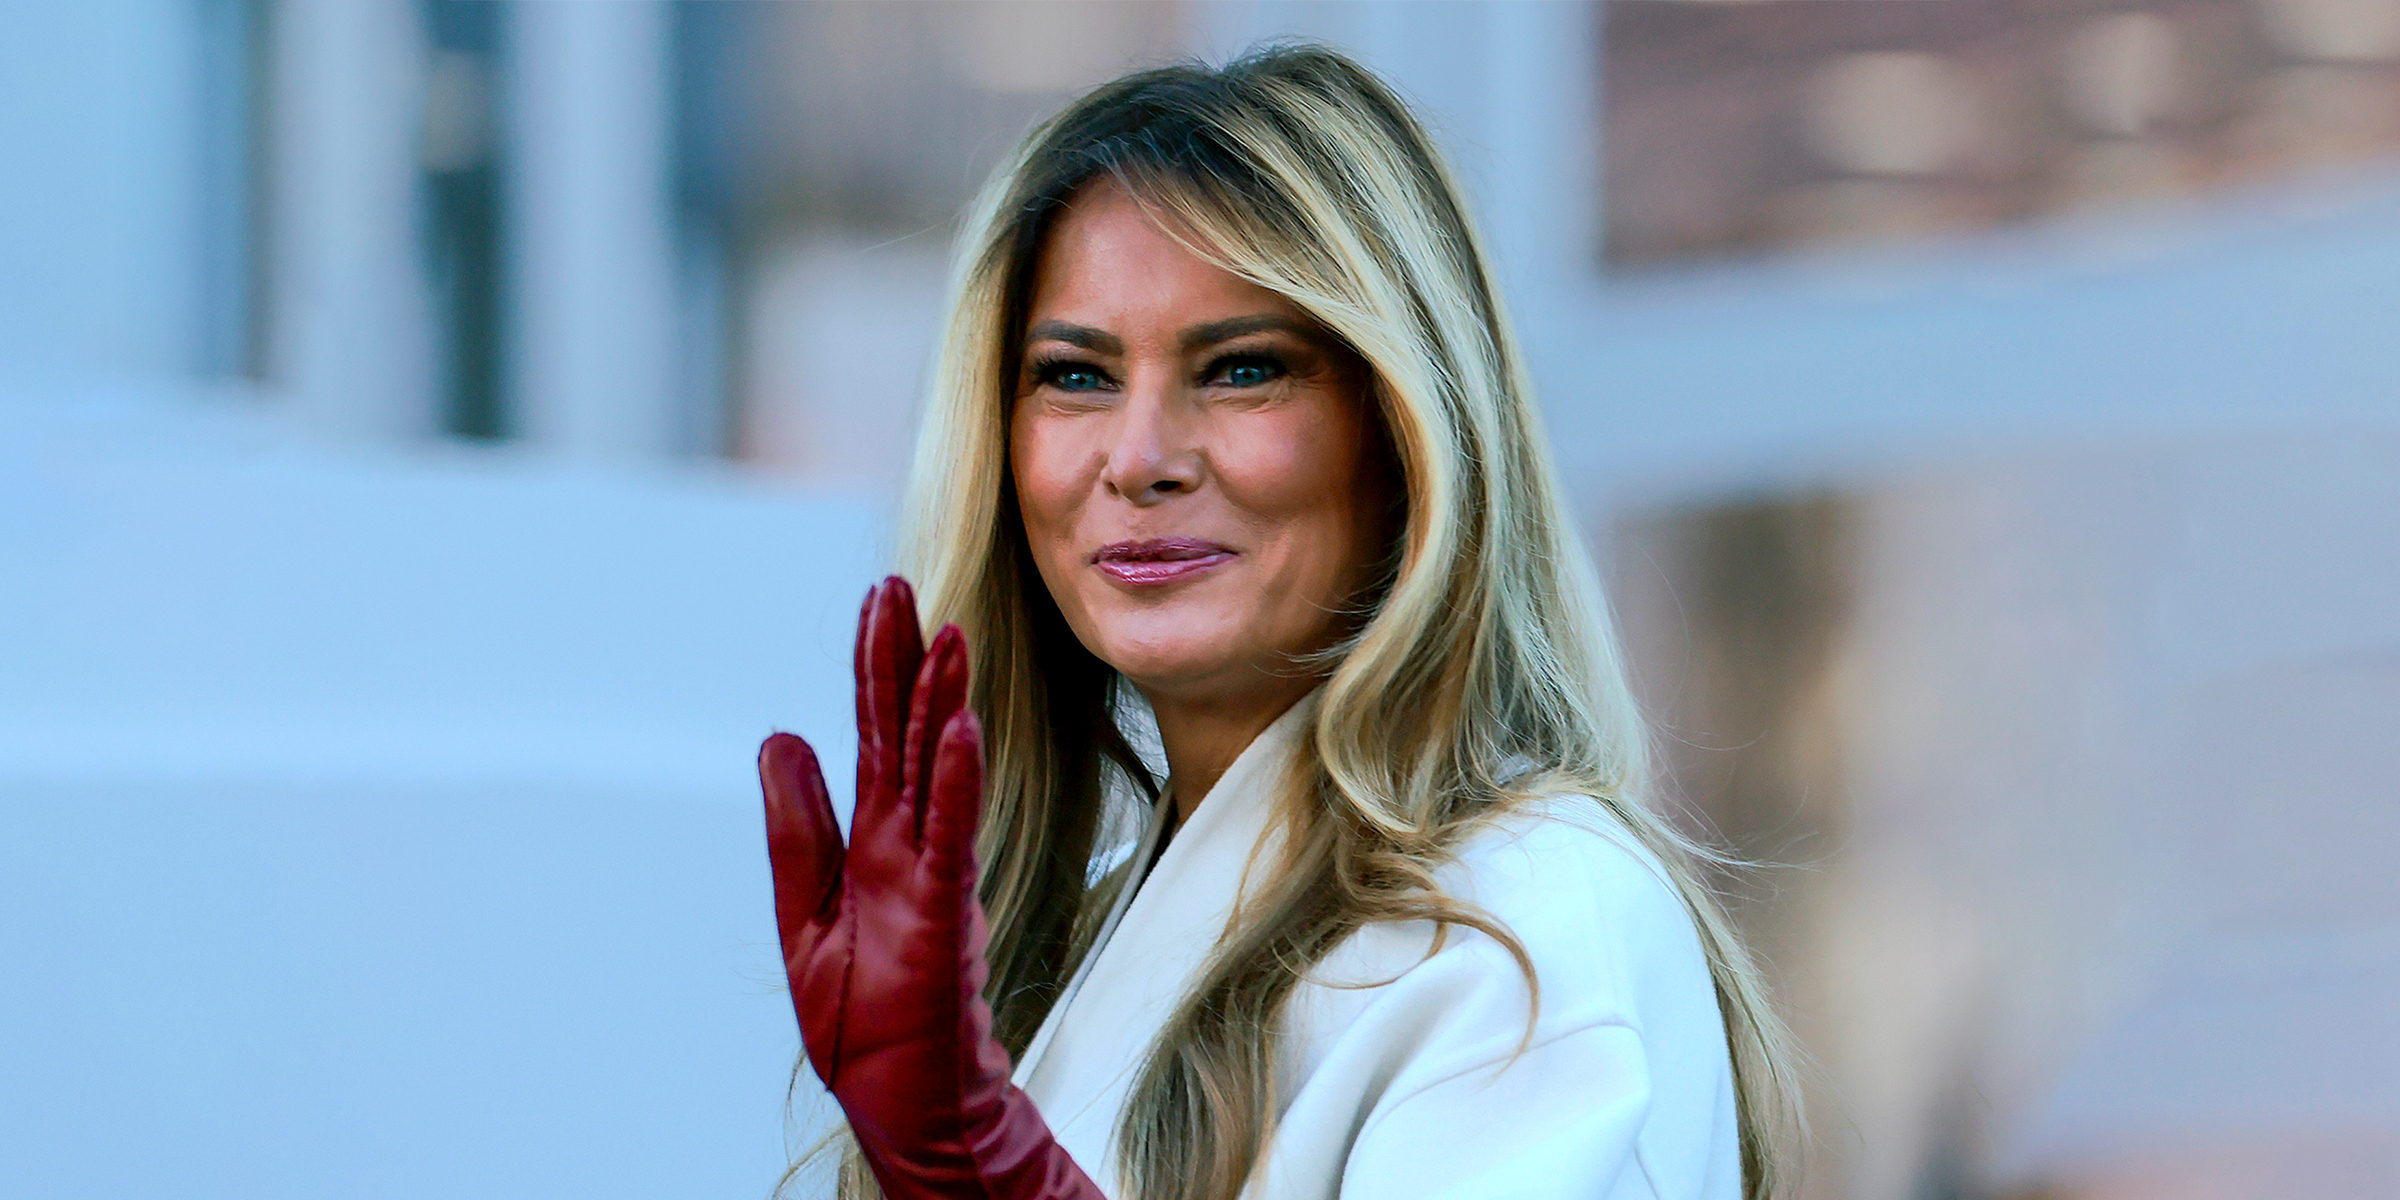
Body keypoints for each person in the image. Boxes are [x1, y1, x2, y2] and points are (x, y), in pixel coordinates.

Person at [757, 44, 1799, 1200]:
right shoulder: (1081, 941)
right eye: (1076, 376)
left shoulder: (1532, 918)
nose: (1141, 457)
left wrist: (986, 1177)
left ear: (1402, 429)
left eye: (1245, 368)